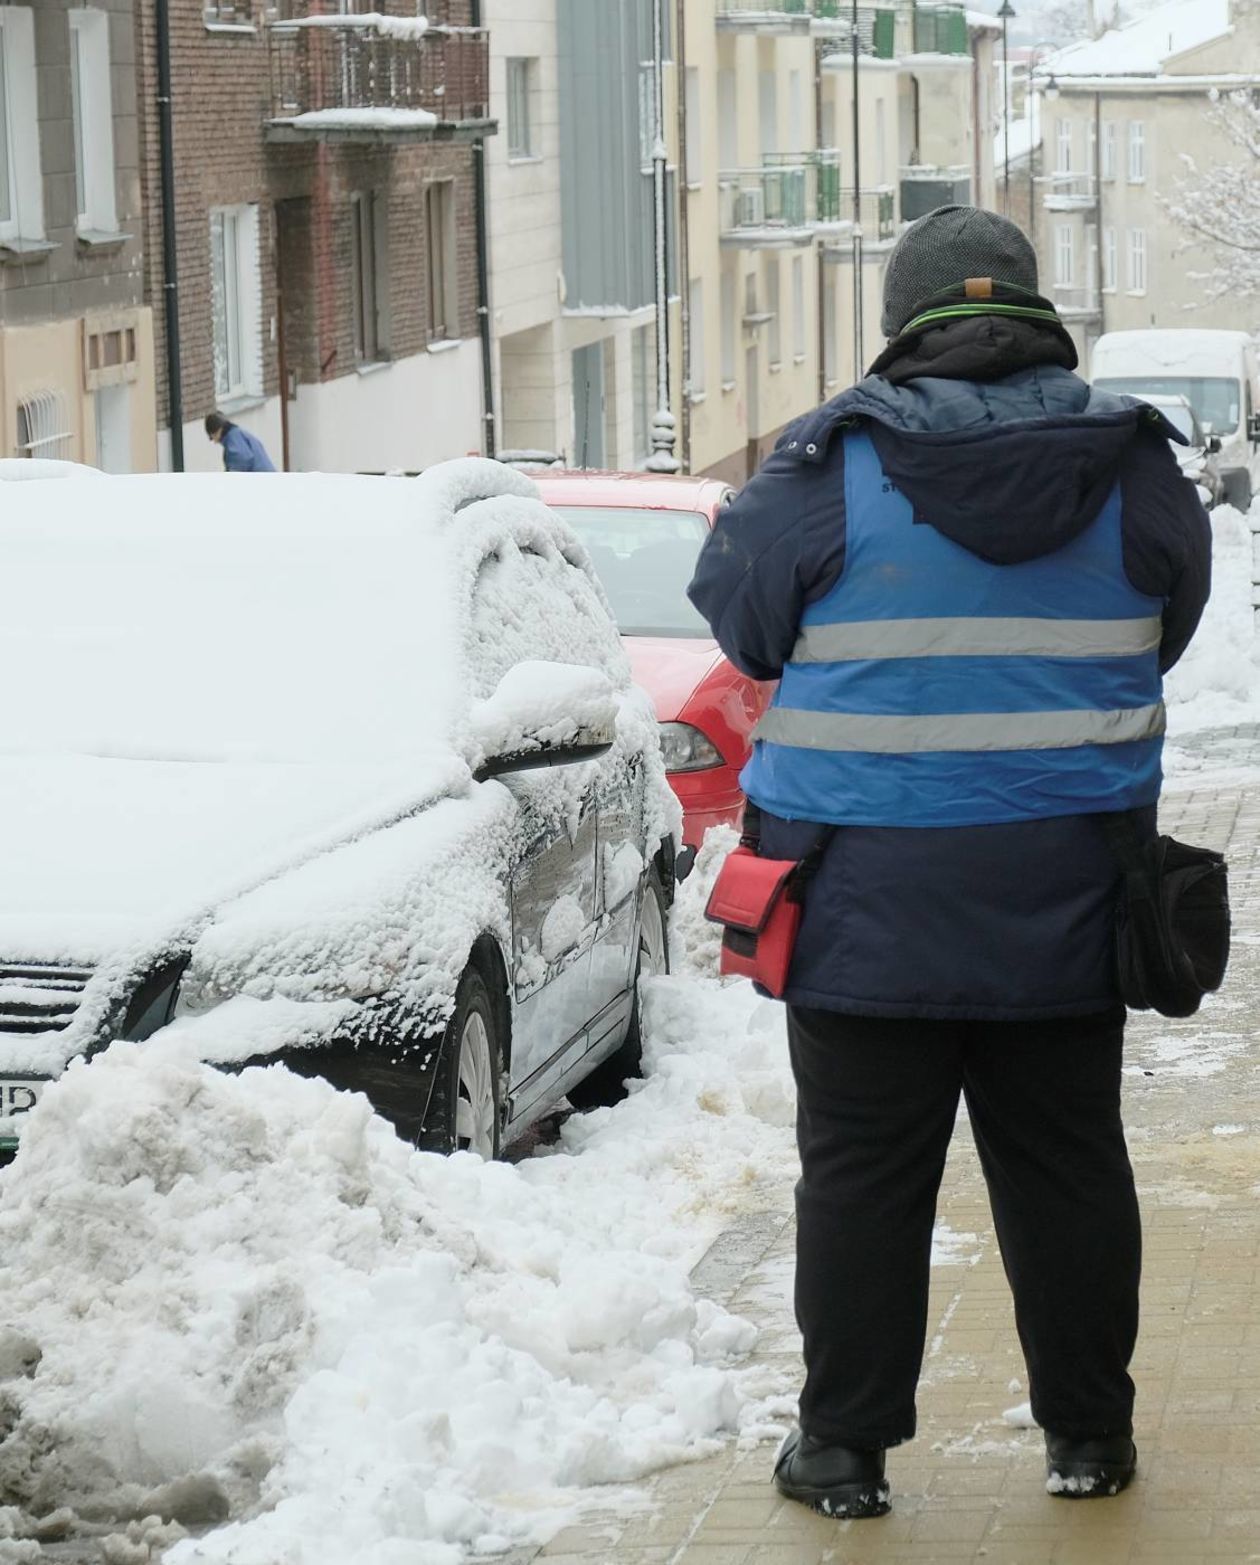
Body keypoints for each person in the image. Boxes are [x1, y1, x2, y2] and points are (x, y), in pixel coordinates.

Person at [688, 206, 1211, 1519]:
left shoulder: (826, 469)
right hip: (1071, 891)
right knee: (1069, 1165)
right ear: (1036, 314)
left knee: (863, 1179)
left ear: (900, 322)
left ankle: (844, 1450)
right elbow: (1172, 619)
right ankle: (1089, 1437)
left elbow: (744, 624)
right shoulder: (1132, 463)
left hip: (864, 903)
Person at [205, 412, 276, 472]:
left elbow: (239, 467)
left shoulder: (233, 444)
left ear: (217, 431)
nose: (215, 442)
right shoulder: (238, 434)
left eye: (212, 437)